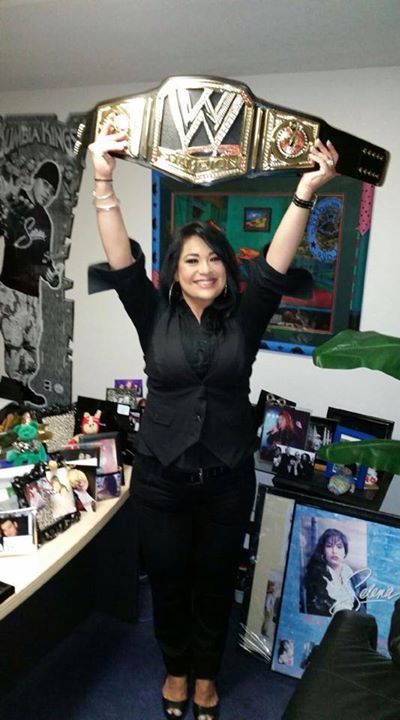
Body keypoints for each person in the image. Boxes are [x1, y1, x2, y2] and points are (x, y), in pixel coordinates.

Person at [88, 120, 337, 720]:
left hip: (226, 478)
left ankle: (207, 674)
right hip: (160, 478)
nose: (205, 268)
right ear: (175, 270)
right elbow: (120, 260)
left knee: (216, 580)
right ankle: (176, 669)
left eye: (214, 259)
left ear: (227, 267)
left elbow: (275, 264)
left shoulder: (246, 317)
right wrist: (103, 183)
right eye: (192, 259)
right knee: (169, 581)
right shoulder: (151, 313)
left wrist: (307, 191)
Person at [0, 159, 61, 407]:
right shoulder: (16, 202)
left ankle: (24, 389)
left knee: (31, 345)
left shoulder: (45, 221)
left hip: (33, 294)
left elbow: (43, 260)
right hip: (11, 289)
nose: (47, 193)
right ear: (35, 179)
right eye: (45, 184)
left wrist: (52, 276)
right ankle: (11, 400)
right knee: (14, 346)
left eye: (52, 190)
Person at [303, 527, 362, 616]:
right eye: (329, 546)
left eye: (339, 547)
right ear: (323, 551)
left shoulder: (354, 577)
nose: (334, 551)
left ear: (345, 552)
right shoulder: (316, 577)